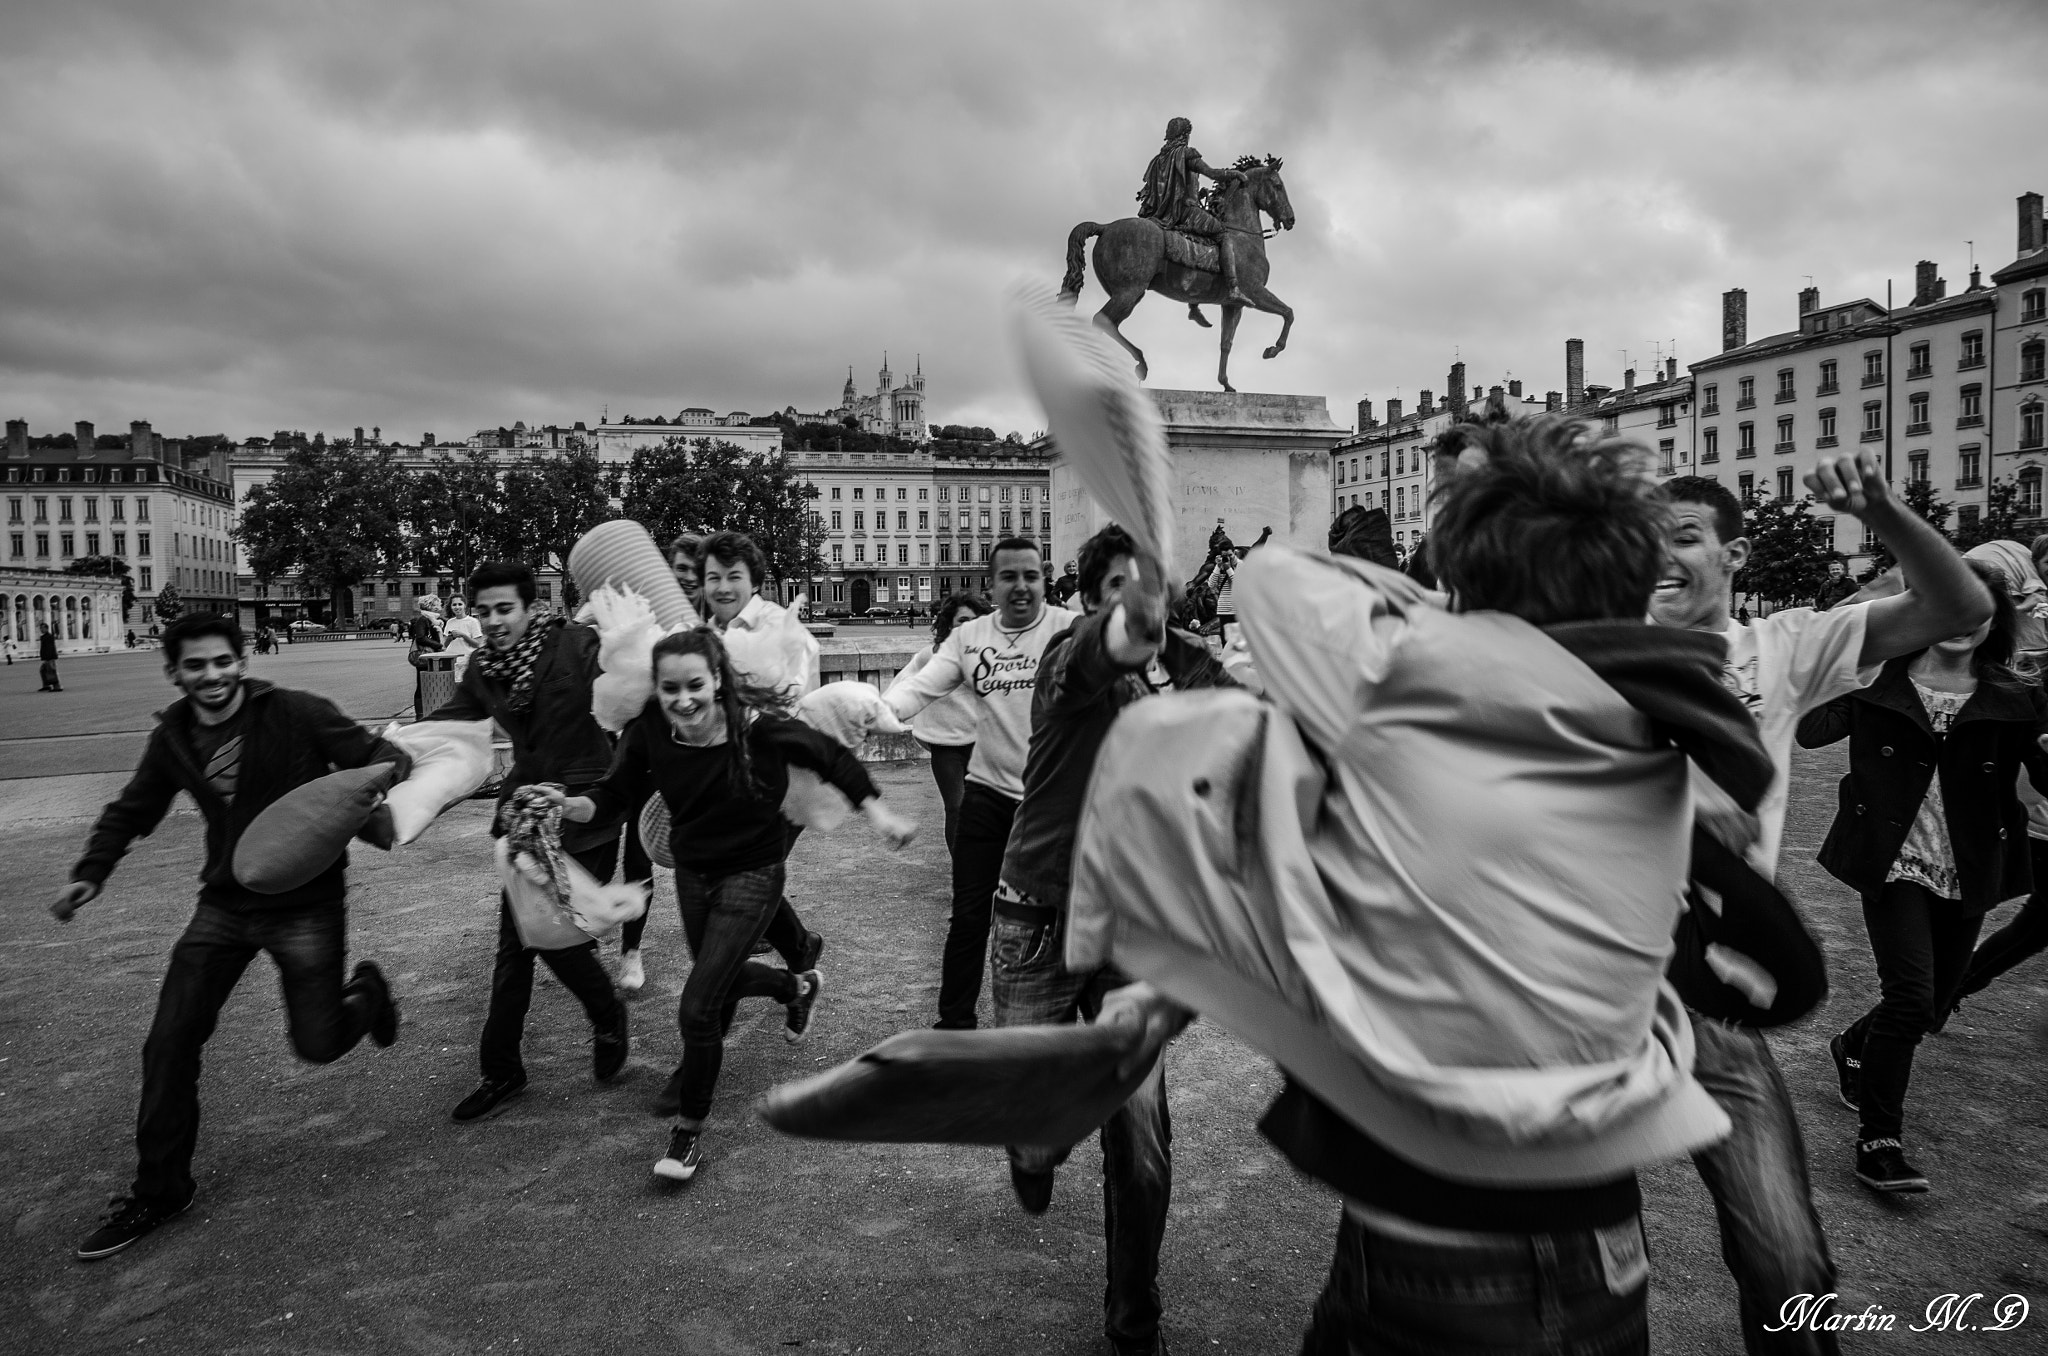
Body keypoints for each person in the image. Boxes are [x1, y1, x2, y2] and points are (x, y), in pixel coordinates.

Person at [1068, 414, 1771, 1353]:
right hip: (1584, 1248)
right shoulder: (1651, 744)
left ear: (1461, 576)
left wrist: (1449, 594)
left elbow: (1273, 580)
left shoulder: (1406, 708)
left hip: (1449, 1246)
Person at [1650, 462, 1990, 1352]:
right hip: (1577, 984)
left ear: (1736, 552)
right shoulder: (1588, 644)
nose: (1659, 554)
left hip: (1705, 997)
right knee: (1559, 1248)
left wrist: (1883, 511)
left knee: (1787, 1261)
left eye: (1682, 534)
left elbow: (1955, 610)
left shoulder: (1784, 647)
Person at [51, 612, 407, 1260]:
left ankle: (368, 995)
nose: (211, 675)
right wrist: (91, 873)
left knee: (319, 1043)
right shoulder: (175, 739)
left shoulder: (297, 712)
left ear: (240, 661)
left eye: (221, 661)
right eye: (195, 666)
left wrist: (372, 787)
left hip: (306, 903)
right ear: (175, 673)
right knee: (169, 1041)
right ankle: (161, 1190)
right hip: (224, 905)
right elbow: (132, 808)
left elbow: (384, 758)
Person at [553, 628, 915, 1181]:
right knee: (715, 980)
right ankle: (797, 986)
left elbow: (830, 759)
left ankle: (687, 1137)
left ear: (718, 681)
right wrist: (569, 806)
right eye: (669, 688)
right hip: (694, 873)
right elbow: (614, 794)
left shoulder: (759, 728)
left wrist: (879, 814)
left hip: (755, 872)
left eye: (695, 685)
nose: (683, 700)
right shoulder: (650, 728)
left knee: (698, 1005)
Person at [1796, 563, 2045, 1193]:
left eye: (1979, 612)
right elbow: (1809, 729)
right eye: (1951, 608)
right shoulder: (1883, 680)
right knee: (1910, 998)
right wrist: (1854, 649)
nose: (1964, 624)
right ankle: (1879, 1142)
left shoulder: (2015, 697)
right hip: (1895, 861)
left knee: (1932, 1004)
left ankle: (1856, 1042)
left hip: (1970, 867)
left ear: (1995, 622)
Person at [990, 525, 1178, 1356]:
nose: (1135, 607)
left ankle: (1133, 1319)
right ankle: (1033, 1147)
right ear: (1089, 598)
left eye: (1148, 593)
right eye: (1116, 590)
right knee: (1036, 1123)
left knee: (1140, 1147)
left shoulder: (1167, 690)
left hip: (1129, 935)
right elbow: (1095, 656)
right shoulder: (1069, 663)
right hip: (1037, 917)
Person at [427, 562, 631, 1123]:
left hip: (586, 809)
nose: (494, 622)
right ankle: (504, 1068)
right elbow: (450, 721)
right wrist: (395, 755)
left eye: (505, 610)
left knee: (546, 938)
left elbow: (633, 679)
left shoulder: (577, 643)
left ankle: (604, 1013)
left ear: (529, 608)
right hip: (523, 817)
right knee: (519, 943)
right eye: (485, 611)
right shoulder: (482, 671)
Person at [884, 538, 1081, 1029]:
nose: (1020, 587)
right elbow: (919, 688)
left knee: (1067, 915)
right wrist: (875, 711)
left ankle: (1077, 1025)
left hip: (1052, 801)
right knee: (970, 915)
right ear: (990, 584)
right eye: (1009, 577)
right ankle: (954, 1025)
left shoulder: (1070, 630)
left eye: (1031, 577)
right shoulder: (969, 638)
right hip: (988, 796)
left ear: (1045, 580)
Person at [886, 591, 991, 855]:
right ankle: (963, 872)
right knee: (955, 806)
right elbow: (901, 687)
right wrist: (878, 713)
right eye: (962, 621)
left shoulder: (993, 656)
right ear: (949, 624)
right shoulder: (930, 656)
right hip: (946, 745)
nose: (969, 628)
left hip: (984, 743)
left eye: (975, 622)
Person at [1135, 115, 1249, 308]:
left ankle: (1194, 304)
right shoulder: (1186, 154)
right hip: (1185, 212)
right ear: (1185, 134)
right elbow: (1213, 173)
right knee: (1223, 234)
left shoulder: (1158, 160)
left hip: (1161, 213)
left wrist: (1197, 193)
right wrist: (1236, 174)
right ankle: (1233, 287)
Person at [40, 625, 62, 691]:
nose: (41, 630)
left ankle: (57, 686)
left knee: (51, 671)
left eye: (42, 628)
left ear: (46, 628)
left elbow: (50, 648)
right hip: (46, 657)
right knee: (43, 670)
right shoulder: (44, 637)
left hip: (50, 657)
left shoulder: (49, 637)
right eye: (40, 628)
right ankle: (46, 685)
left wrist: (48, 658)